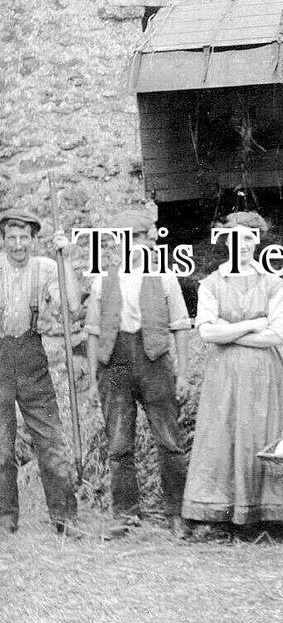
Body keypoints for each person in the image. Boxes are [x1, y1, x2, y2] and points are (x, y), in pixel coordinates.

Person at [182, 211, 283, 532]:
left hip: (265, 374)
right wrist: (254, 324)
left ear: (258, 241)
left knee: (264, 434)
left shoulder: (274, 283)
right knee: (224, 434)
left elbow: (278, 334)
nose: (244, 244)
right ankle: (220, 514)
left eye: (250, 237)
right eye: (236, 237)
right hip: (225, 375)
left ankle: (270, 515)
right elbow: (207, 332)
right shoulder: (211, 283)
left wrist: (230, 330)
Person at [85, 209, 191, 540]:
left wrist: (184, 372)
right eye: (129, 239)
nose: (137, 246)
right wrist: (92, 379)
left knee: (169, 440)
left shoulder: (166, 278)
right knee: (119, 444)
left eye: (144, 238)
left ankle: (177, 513)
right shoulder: (102, 280)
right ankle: (125, 514)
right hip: (114, 366)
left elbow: (181, 326)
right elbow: (92, 331)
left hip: (155, 362)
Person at [0, 209, 82, 539]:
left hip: (32, 359)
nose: (18, 245)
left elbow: (72, 306)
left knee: (51, 440)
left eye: (24, 238)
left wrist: (64, 259)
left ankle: (65, 517)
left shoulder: (47, 267)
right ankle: (6, 516)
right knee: (1, 444)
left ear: (34, 240)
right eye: (12, 238)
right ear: (3, 240)